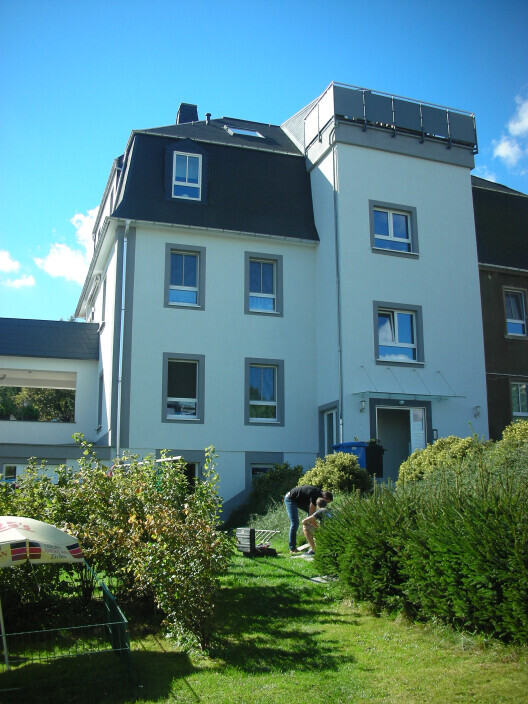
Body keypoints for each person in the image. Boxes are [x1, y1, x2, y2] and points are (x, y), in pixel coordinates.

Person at [284, 484, 333, 555]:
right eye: (327, 502)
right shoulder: (315, 495)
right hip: (290, 499)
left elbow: (312, 515)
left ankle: (312, 544)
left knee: (310, 517)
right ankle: (292, 548)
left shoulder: (320, 494)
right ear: (324, 498)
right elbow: (311, 516)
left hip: (299, 499)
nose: (326, 505)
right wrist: (317, 531)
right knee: (295, 523)